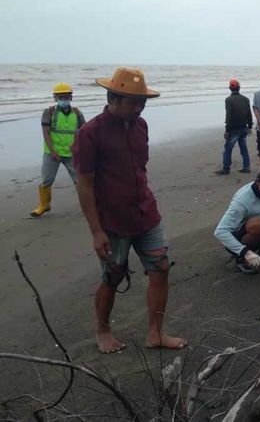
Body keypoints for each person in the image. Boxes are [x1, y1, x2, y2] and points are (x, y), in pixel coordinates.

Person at [73, 67, 186, 354]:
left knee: (160, 268)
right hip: (112, 220)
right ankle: (102, 328)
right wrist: (96, 232)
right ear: (113, 98)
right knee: (113, 275)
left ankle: (156, 332)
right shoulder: (90, 134)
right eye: (133, 102)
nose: (139, 108)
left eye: (142, 102)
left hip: (146, 213)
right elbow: (84, 185)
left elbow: (140, 169)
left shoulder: (141, 126)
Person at [30, 83, 86, 217]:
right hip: (52, 153)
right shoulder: (48, 112)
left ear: (71, 97)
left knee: (80, 181)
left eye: (66, 96)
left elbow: (84, 132)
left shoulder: (77, 113)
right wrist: (53, 151)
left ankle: (87, 204)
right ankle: (44, 205)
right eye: (61, 97)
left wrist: (79, 148)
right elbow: (46, 133)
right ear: (55, 98)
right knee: (46, 180)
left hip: (71, 153)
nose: (64, 99)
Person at [215, 78, 253, 175]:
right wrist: (250, 126)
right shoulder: (245, 99)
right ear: (239, 88)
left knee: (228, 148)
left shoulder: (229, 100)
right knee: (243, 147)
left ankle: (226, 168)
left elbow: (229, 116)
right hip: (243, 127)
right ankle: (246, 166)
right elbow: (249, 113)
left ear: (230, 88)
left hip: (233, 129)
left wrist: (227, 130)